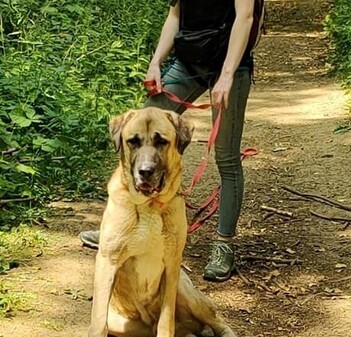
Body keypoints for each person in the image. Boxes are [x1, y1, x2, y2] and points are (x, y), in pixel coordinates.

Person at [80, 0, 255, 282]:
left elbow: (245, 17)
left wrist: (226, 76)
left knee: (226, 156)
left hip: (231, 66)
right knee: (136, 135)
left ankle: (224, 245)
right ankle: (118, 228)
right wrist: (155, 63)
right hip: (188, 62)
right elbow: (175, 15)